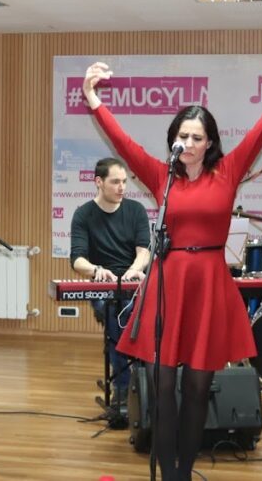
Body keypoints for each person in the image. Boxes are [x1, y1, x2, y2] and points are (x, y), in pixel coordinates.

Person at [82, 57, 262, 481]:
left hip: (209, 284)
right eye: (183, 136)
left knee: (198, 389)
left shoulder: (228, 171)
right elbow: (123, 143)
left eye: (197, 137)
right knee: (161, 388)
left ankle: (183, 472)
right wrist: (92, 97)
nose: (190, 143)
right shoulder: (161, 176)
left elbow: (261, 131)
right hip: (169, 283)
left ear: (210, 141)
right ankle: (168, 475)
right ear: (174, 140)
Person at [70, 157, 151, 406]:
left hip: (133, 281)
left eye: (124, 182)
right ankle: (125, 388)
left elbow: (144, 252)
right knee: (116, 314)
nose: (122, 187)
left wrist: (133, 270)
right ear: (99, 182)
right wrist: (96, 270)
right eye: (115, 182)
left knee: (141, 312)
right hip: (103, 286)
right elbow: (77, 260)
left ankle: (143, 382)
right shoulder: (84, 214)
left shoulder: (136, 210)